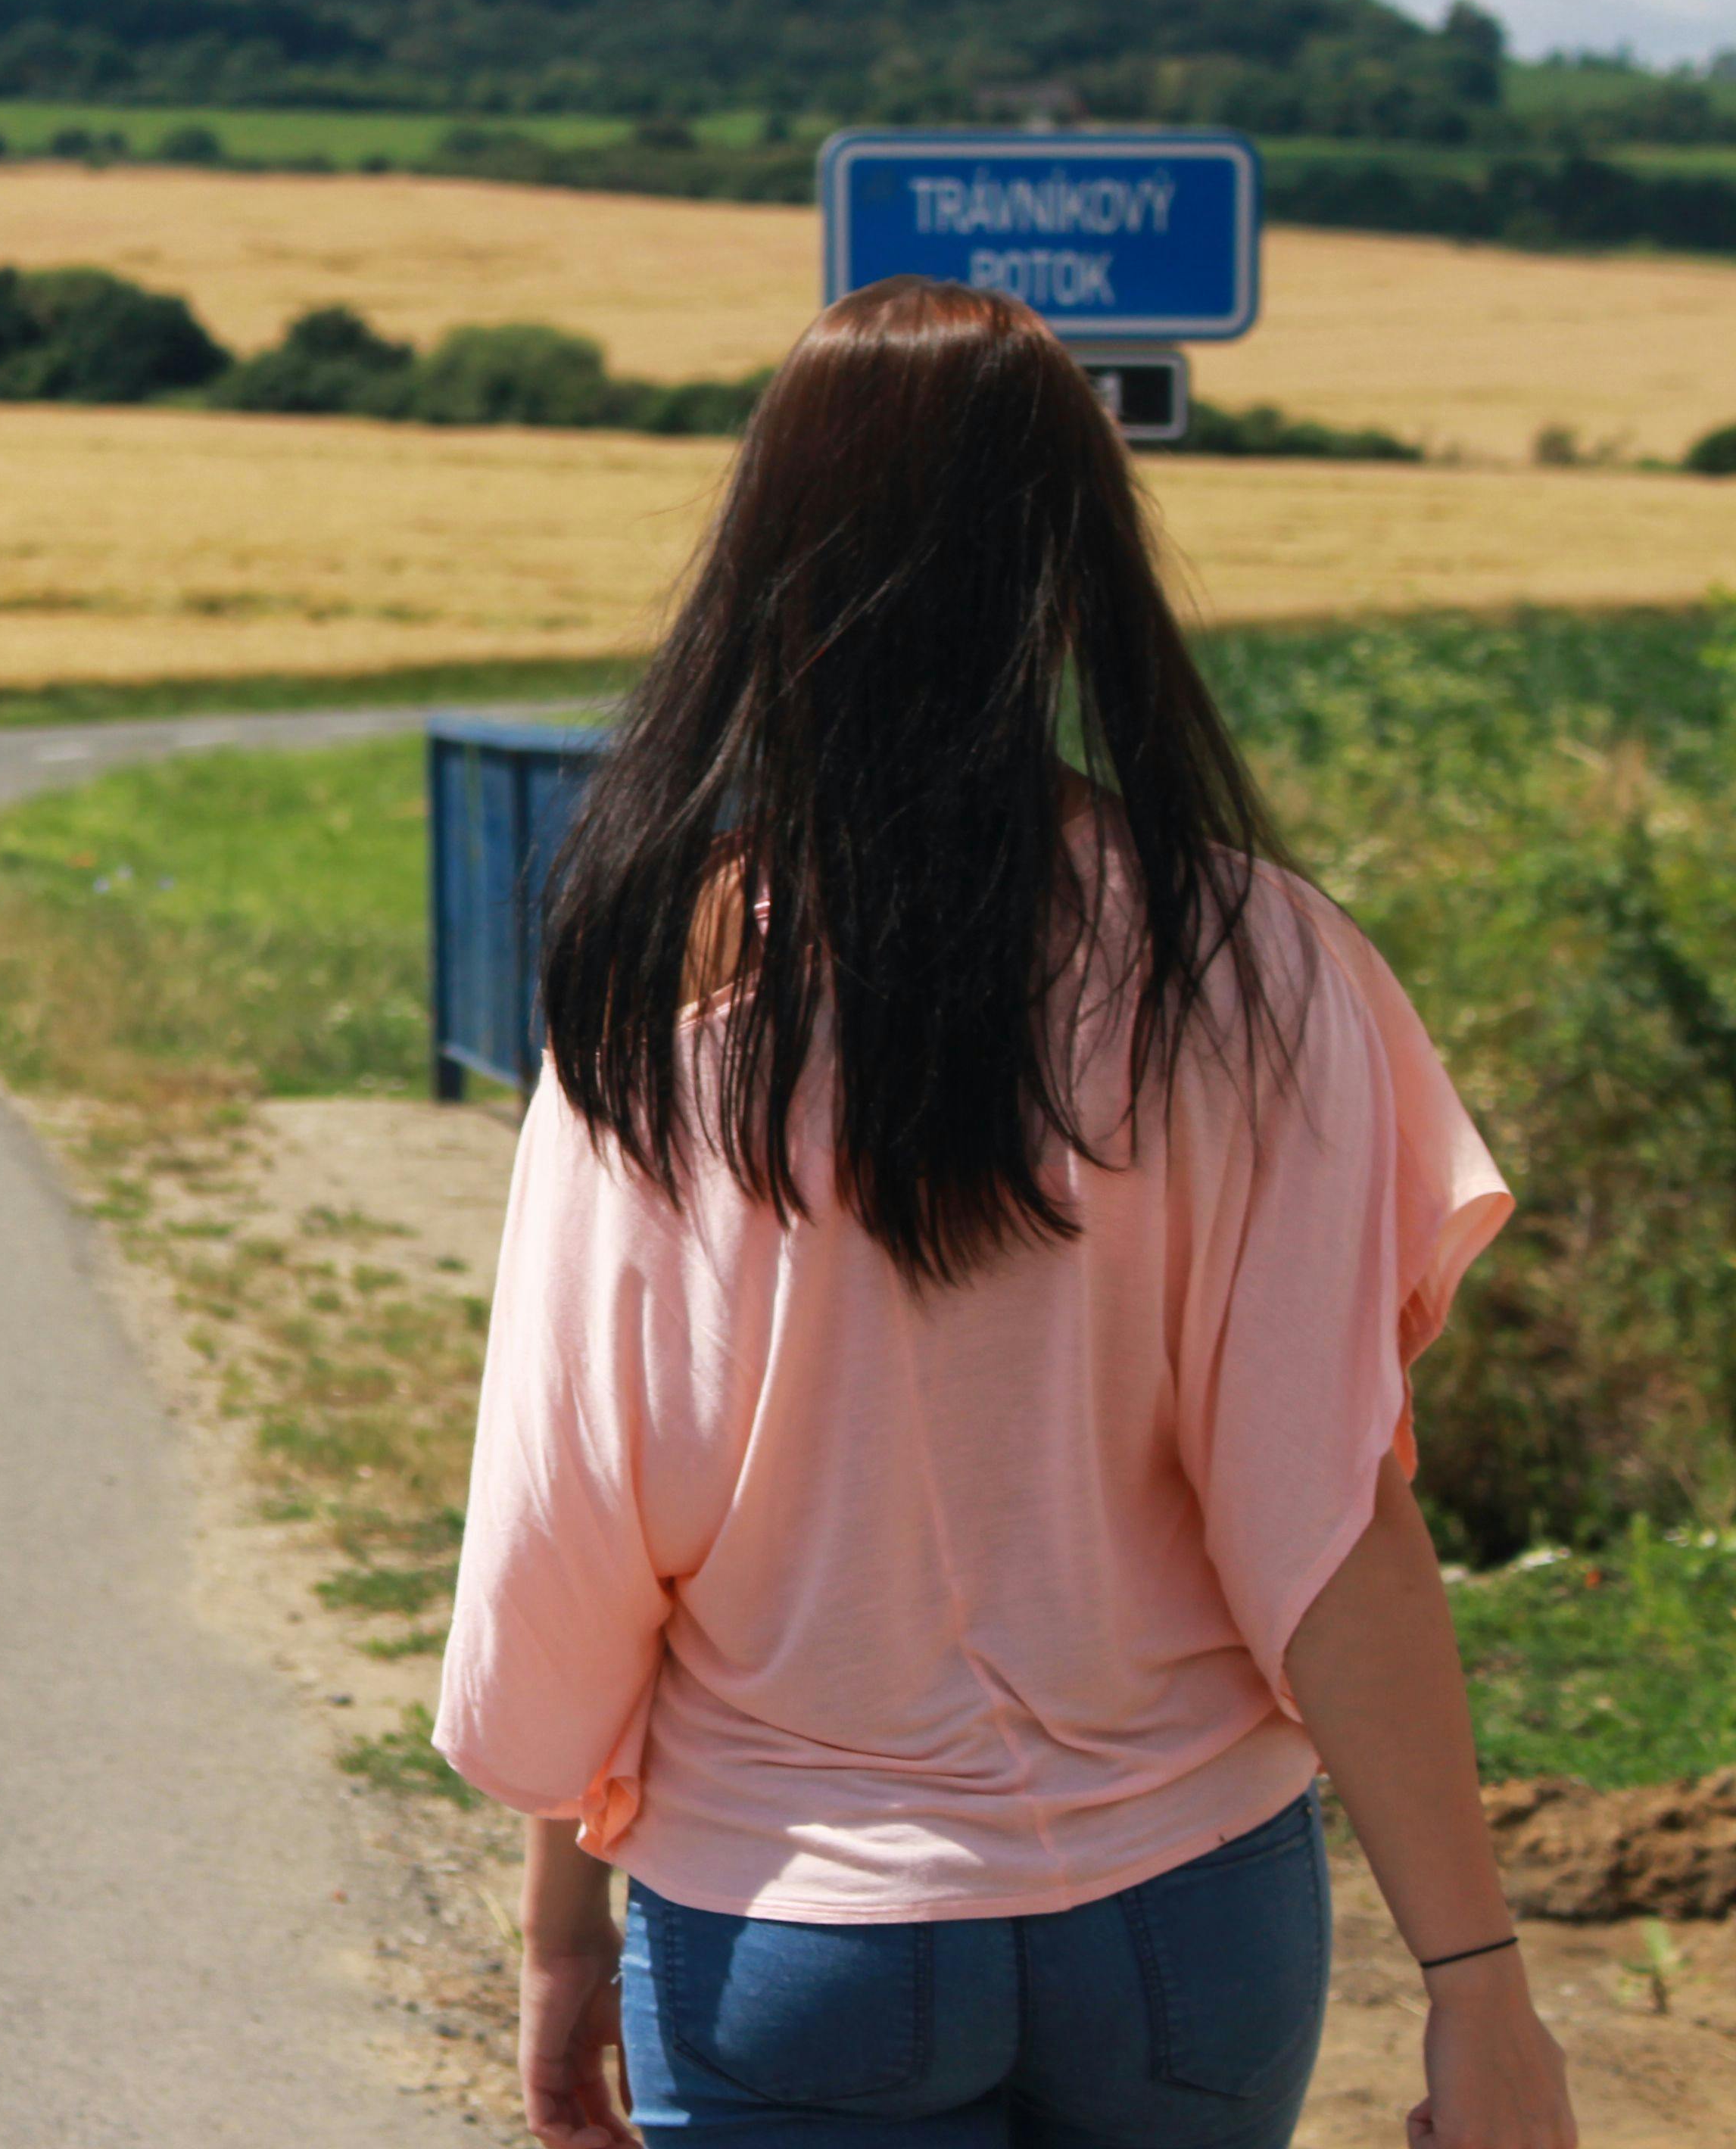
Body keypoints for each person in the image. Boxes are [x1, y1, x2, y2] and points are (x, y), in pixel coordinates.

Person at [430, 278, 1581, 2149]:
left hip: (794, 1929)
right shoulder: (1263, 970)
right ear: (1074, 565)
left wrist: (565, 1928)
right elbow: (1331, 1509)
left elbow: (579, 1527)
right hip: (1193, 1921)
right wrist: (1480, 1990)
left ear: (772, 560)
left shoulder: (655, 996)